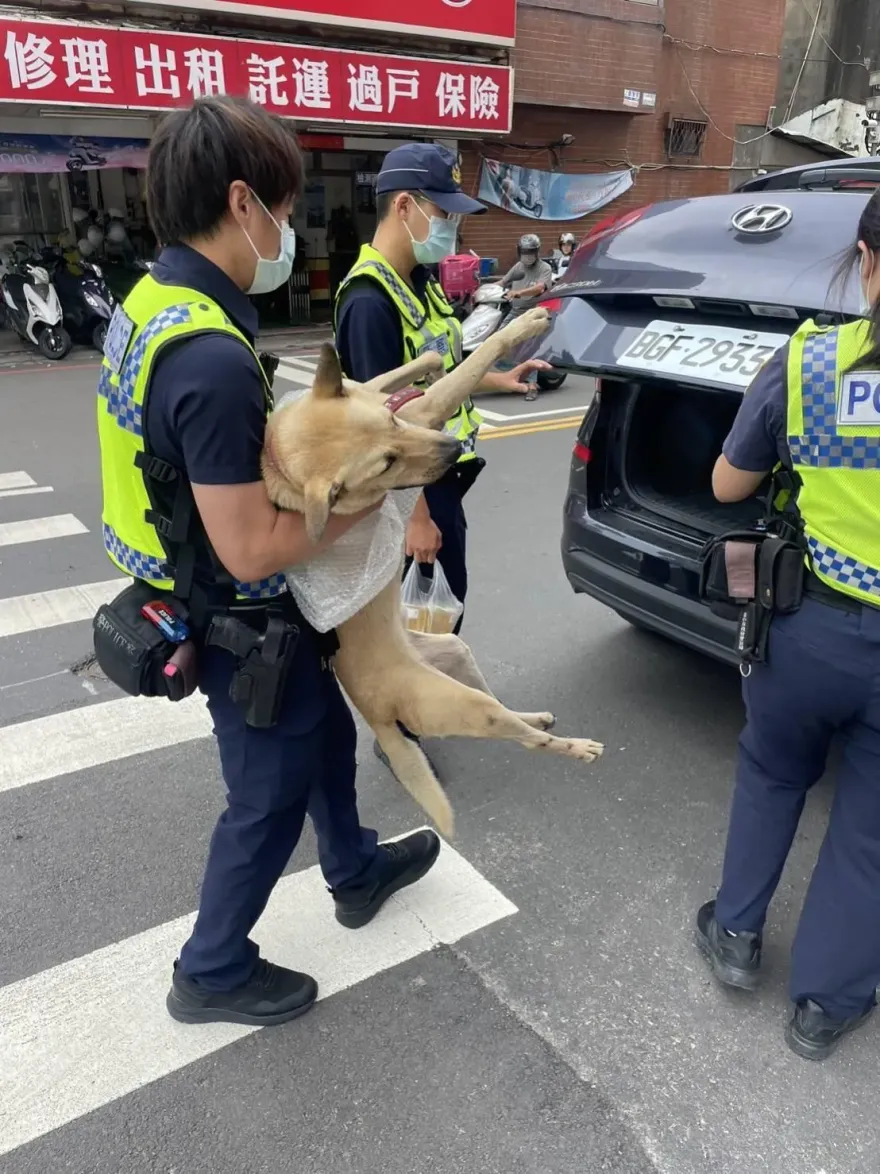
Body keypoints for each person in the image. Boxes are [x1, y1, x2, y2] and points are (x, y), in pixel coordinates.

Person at [96, 96, 440, 1029]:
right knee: (268, 791)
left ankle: (355, 869)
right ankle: (210, 969)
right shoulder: (207, 358)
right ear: (243, 203)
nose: (285, 231)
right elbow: (251, 542)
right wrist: (366, 494)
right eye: (284, 209)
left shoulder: (150, 304)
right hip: (233, 612)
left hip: (190, 582)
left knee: (321, 735)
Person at [695, 188, 880, 1061]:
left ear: (866, 262)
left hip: (808, 630)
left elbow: (728, 484)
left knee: (772, 773)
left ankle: (735, 935)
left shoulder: (807, 363)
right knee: (870, 831)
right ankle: (825, 1005)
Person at [334, 143, 549, 774]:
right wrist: (419, 516)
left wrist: (500, 379)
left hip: (444, 479)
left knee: (438, 607)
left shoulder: (419, 283)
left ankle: (418, 710)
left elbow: (440, 378)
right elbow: (383, 433)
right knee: (420, 618)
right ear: (404, 207)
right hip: (413, 494)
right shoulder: (369, 301)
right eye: (443, 212)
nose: (451, 226)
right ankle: (399, 728)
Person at [499, 234, 555, 401]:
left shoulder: (544, 268)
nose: (528, 255)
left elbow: (539, 288)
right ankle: (517, 371)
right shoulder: (519, 266)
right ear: (519, 251)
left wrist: (518, 293)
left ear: (537, 252)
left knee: (529, 348)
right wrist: (484, 289)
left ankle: (532, 385)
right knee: (497, 341)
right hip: (515, 312)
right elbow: (503, 282)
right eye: (525, 252)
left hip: (534, 313)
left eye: (531, 252)